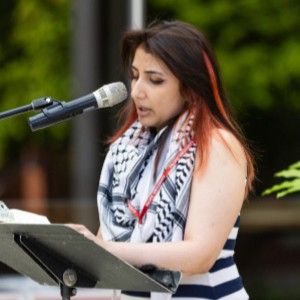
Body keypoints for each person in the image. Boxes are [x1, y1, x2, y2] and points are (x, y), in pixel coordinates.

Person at [70, 20, 255, 299]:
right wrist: (70, 248)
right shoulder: (130, 150)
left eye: (155, 80)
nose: (136, 92)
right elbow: (108, 247)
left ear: (191, 88)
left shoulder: (217, 144)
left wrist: (106, 251)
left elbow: (199, 255)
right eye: (134, 76)